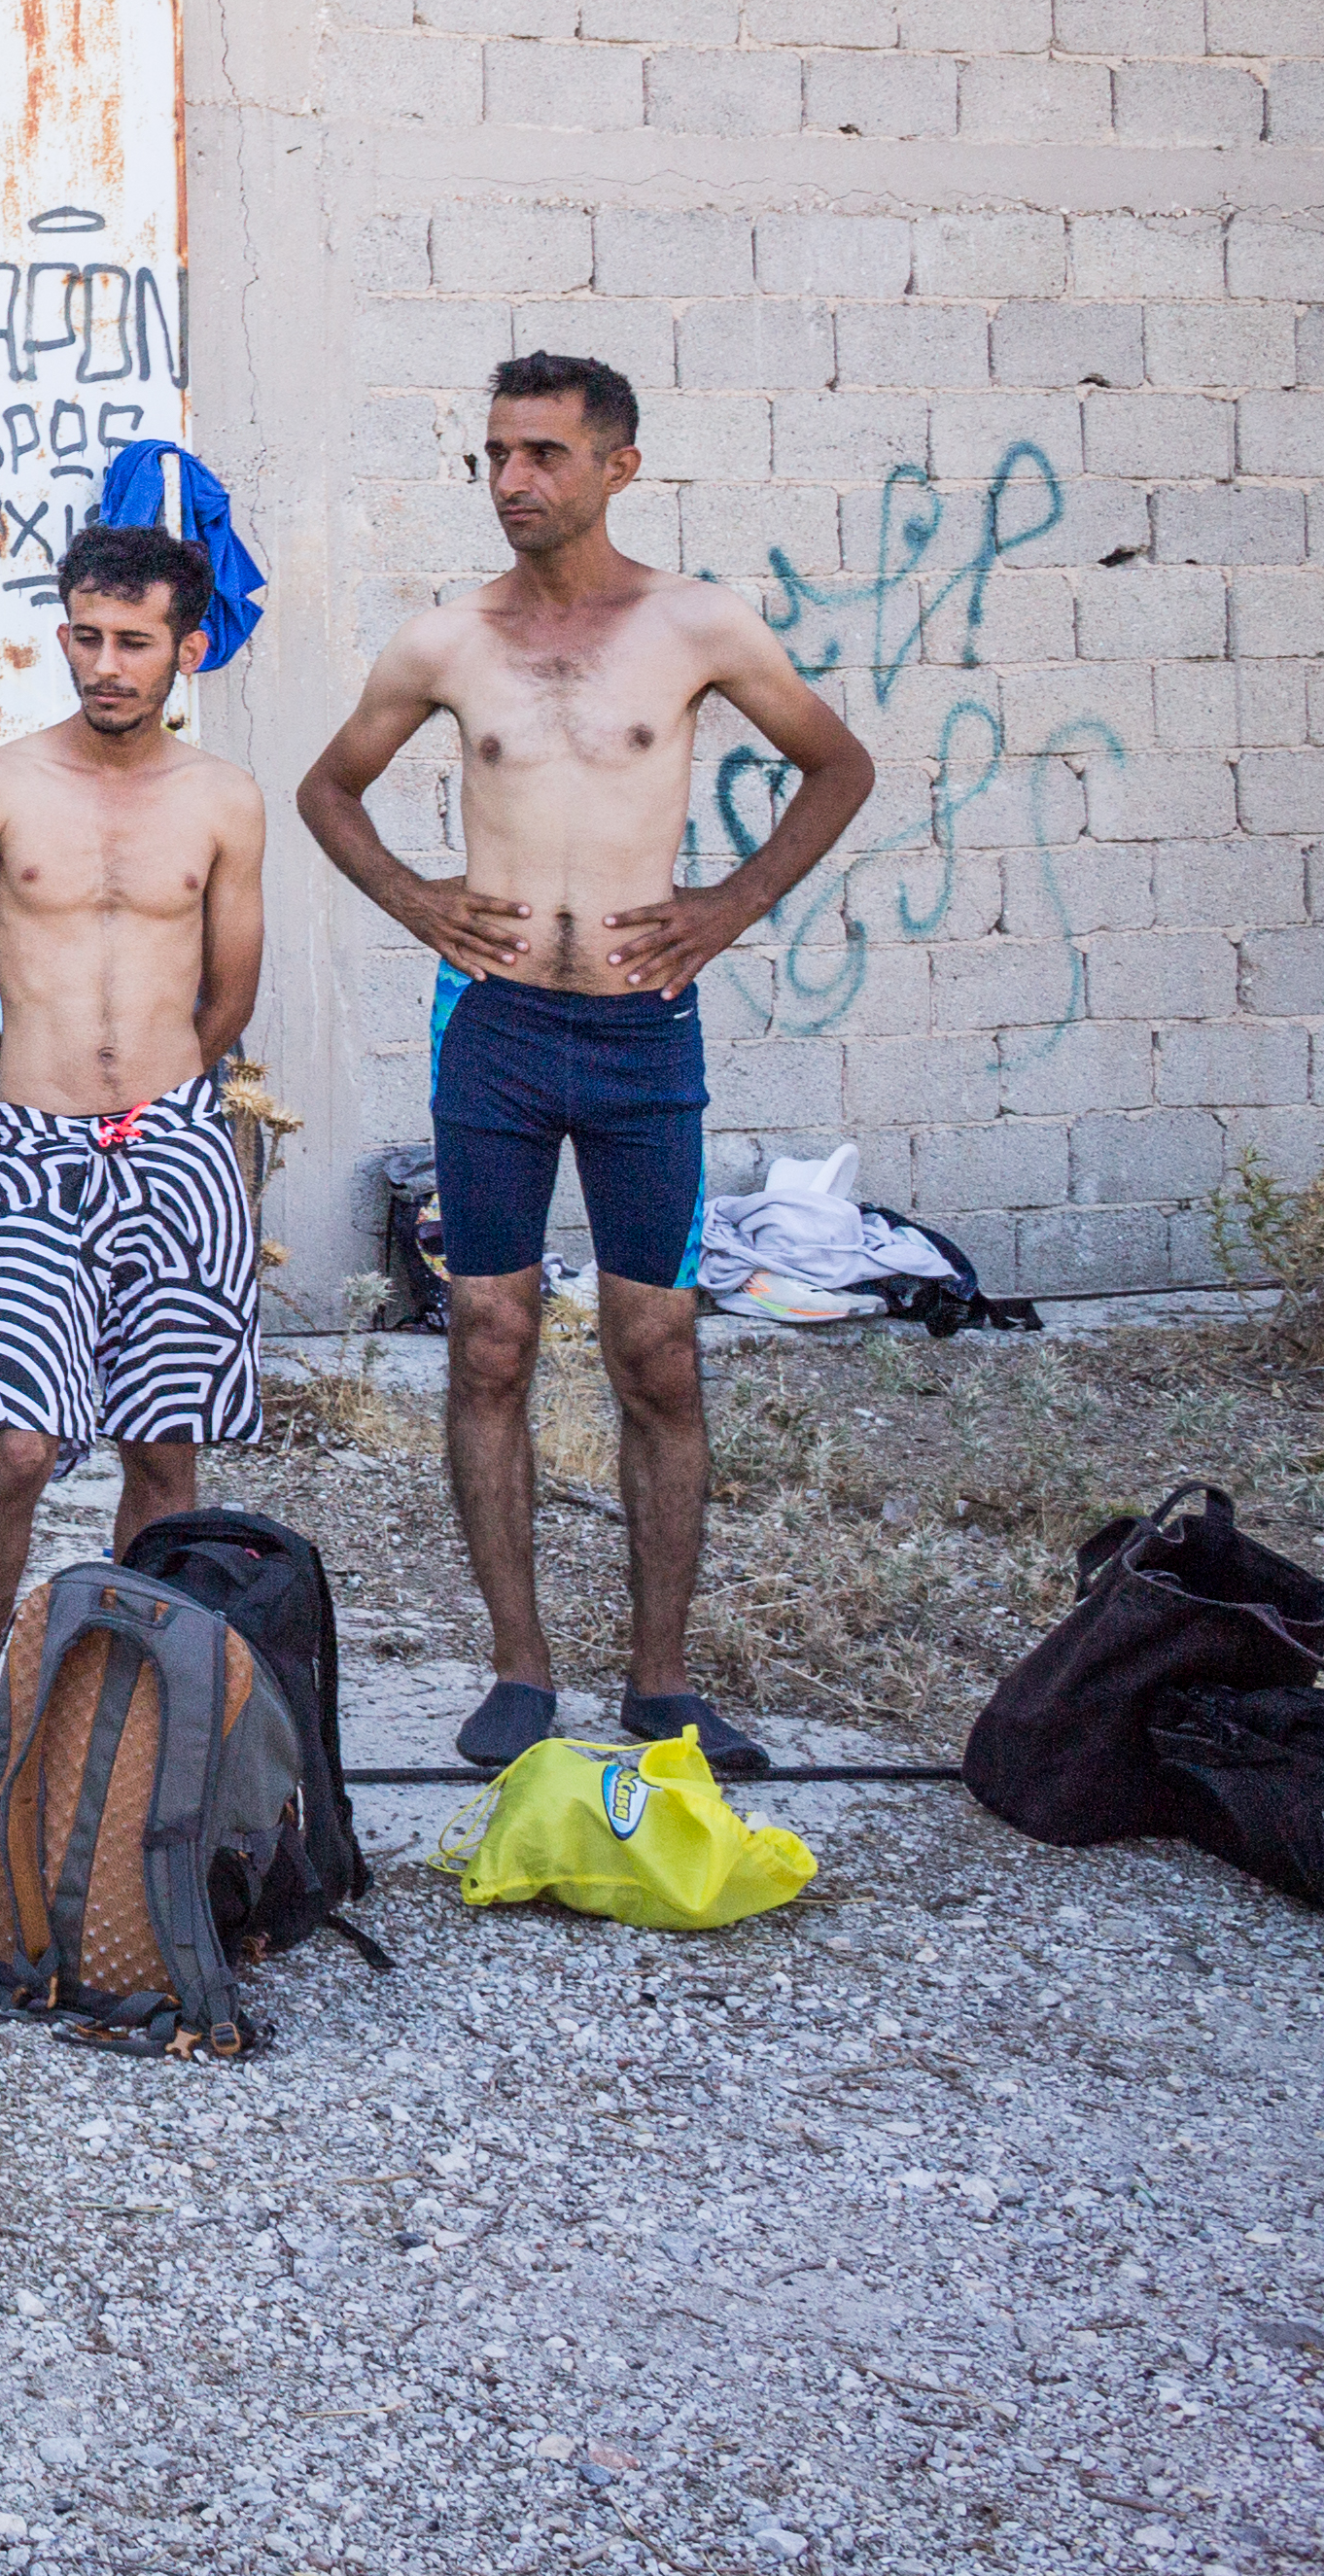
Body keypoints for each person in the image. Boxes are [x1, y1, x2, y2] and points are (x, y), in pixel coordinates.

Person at [296, 353, 875, 1779]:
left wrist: (728, 909)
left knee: (657, 1353)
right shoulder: (446, 643)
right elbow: (327, 788)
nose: (513, 482)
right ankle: (518, 1671)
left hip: (636, 1033)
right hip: (491, 1032)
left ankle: (662, 1683)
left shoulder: (694, 625)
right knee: (488, 1341)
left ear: (618, 464)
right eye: (495, 454)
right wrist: (418, 900)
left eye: (544, 454)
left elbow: (839, 765)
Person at [0, 524, 272, 1842]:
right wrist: (27, 1113)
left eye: (134, 643)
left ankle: (145, 1728)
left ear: (186, 649)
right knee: (20, 1448)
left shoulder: (222, 799)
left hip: (174, 1145)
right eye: (87, 637)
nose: (107, 667)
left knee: (166, 1446)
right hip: (39, 1149)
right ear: (64, 635)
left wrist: (156, 1097)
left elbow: (229, 990)